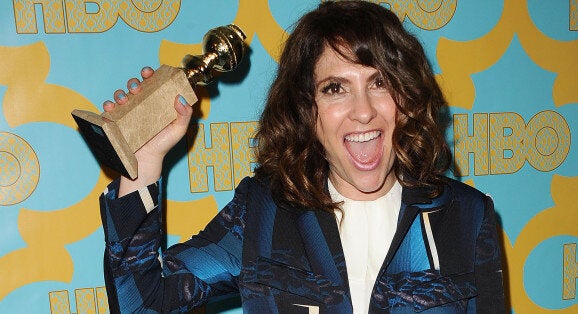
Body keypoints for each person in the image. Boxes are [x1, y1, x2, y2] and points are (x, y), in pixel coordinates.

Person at [99, 1, 505, 313]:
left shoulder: (467, 218)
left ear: (407, 97)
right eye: (335, 88)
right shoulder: (264, 212)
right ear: (307, 112)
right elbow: (144, 302)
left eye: (379, 82)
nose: (363, 110)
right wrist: (144, 161)